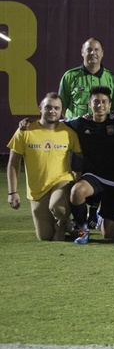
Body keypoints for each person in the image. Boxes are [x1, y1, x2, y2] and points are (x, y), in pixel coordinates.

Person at [65, 86, 114, 244]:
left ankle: (102, 215)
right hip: (94, 179)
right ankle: (83, 230)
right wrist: (31, 121)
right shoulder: (81, 123)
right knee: (76, 191)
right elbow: (56, 123)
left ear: (109, 105)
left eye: (104, 102)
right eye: (96, 102)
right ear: (89, 103)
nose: (100, 105)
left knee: (108, 235)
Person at [6, 93, 81, 241]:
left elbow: (82, 155)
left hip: (61, 181)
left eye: (56, 108)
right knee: (44, 237)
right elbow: (14, 163)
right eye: (48, 107)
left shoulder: (68, 132)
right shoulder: (24, 131)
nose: (52, 111)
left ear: (62, 111)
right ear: (40, 108)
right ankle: (68, 225)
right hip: (37, 190)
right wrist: (12, 192)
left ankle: (61, 225)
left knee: (58, 208)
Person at [58, 38, 114, 118]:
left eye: (96, 50)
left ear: (102, 53)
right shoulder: (70, 76)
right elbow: (61, 106)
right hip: (76, 128)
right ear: (82, 52)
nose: (93, 53)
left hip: (102, 128)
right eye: (89, 50)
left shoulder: (111, 78)